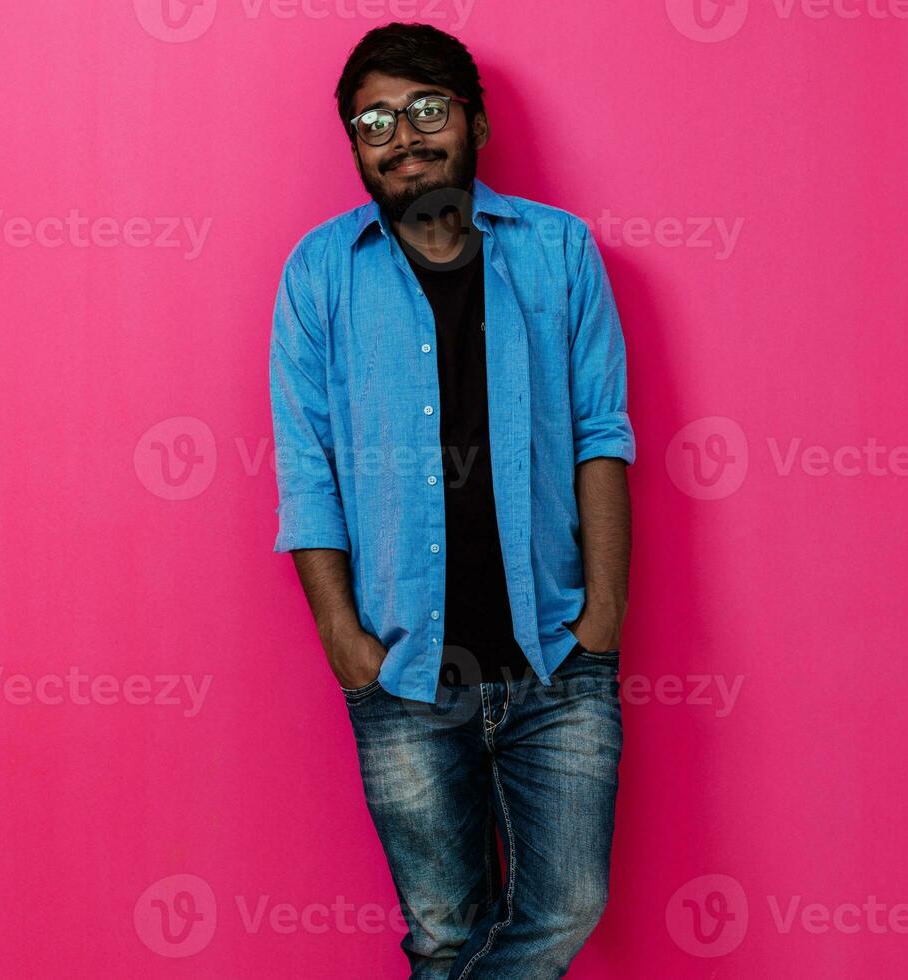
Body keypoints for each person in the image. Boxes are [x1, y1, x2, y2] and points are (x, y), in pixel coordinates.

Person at [268, 22, 636, 978]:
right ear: (354, 146)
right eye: (374, 121)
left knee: (568, 910)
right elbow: (305, 468)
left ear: (472, 121)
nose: (402, 136)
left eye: (426, 109)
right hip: (402, 671)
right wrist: (346, 645)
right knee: (441, 933)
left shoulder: (558, 253)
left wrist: (600, 619)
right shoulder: (319, 275)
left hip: (555, 659)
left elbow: (602, 434)